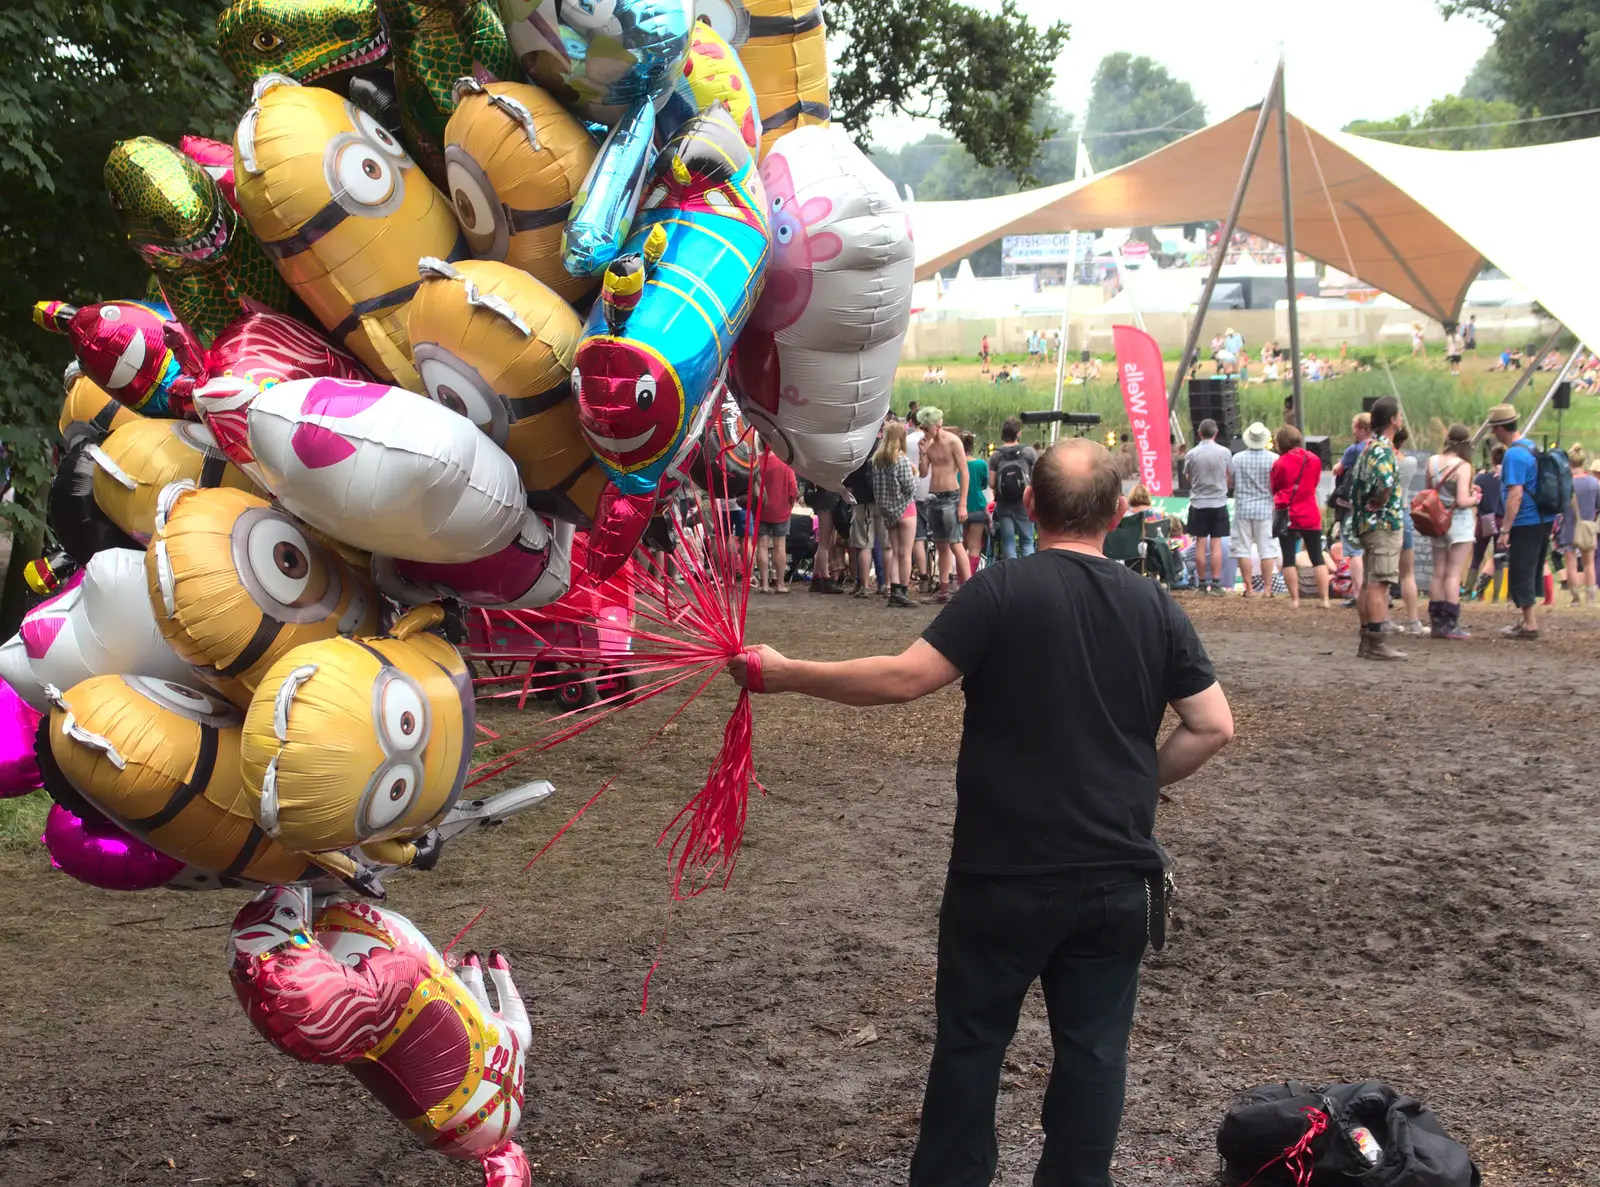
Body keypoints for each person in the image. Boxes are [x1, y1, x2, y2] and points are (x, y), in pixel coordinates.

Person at [729, 438, 1233, 1187]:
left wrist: (788, 673)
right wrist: (1138, 782)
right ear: (1120, 512)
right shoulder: (1154, 603)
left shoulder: (1002, 588)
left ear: (1028, 505)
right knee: (1095, 1051)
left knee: (971, 1043)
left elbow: (905, 679)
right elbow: (1212, 724)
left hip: (1003, 873)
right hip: (1114, 877)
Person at [1488, 403, 1555, 639]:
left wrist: (1505, 530)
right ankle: (1526, 620)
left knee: (1522, 569)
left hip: (1526, 520)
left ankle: (1529, 624)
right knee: (1532, 568)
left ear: (1499, 428)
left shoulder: (1514, 455)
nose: (1492, 434)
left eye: (1493, 428)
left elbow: (1515, 494)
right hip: (1543, 518)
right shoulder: (1530, 446)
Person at [1348, 396, 1406, 659]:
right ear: (1392, 420)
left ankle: (1365, 639)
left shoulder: (1367, 447)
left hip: (1367, 523)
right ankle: (1378, 641)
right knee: (1380, 584)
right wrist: (1381, 500)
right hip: (1383, 523)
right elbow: (1385, 482)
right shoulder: (1383, 450)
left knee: (1369, 582)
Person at [1422, 424, 1482, 639]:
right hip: (1458, 522)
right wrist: (1475, 498)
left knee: (1438, 571)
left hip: (1437, 521)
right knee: (1454, 573)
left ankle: (1436, 622)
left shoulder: (1432, 462)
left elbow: (1430, 492)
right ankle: (1451, 623)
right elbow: (1462, 500)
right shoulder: (1463, 466)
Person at [1269, 424, 1330, 609]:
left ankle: (1295, 599)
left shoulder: (1279, 463)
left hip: (1287, 513)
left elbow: (1274, 487)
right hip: (1310, 512)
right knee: (1317, 557)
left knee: (1288, 558)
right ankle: (1325, 599)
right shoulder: (1314, 459)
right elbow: (1315, 482)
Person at [916, 407, 972, 603]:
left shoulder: (953, 442)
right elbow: (923, 473)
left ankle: (969, 590)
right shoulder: (927, 444)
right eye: (921, 427)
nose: (923, 431)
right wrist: (923, 453)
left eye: (926, 427)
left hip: (951, 496)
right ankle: (943, 589)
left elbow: (964, 472)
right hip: (934, 496)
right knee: (941, 545)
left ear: (936, 425)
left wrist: (963, 503)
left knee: (956, 543)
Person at [1228, 421, 1280, 597]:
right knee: (1267, 549)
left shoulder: (1237, 458)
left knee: (1243, 549)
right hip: (1265, 509)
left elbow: (1230, 482)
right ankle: (1267, 589)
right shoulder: (1274, 459)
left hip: (1243, 508)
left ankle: (1249, 588)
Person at [871, 420, 920, 607]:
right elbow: (910, 487)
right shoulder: (901, 459)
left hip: (888, 511)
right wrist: (916, 476)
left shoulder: (876, 460)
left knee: (892, 550)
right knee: (905, 553)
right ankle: (904, 590)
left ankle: (894, 590)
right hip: (906, 510)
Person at [1183, 418, 1232, 594]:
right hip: (1218, 502)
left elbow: (1187, 475)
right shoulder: (1225, 452)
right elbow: (1229, 474)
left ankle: (1202, 583)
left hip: (1198, 503)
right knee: (1217, 543)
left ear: (1199, 433)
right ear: (1216, 433)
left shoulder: (1191, 454)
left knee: (1200, 543)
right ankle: (1217, 583)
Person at [1335, 413, 1372, 604]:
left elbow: (1337, 470)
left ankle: (1358, 593)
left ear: (1362, 429)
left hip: (1352, 505)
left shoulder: (1354, 450)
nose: (1352, 430)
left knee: (1353, 550)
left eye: (1354, 427)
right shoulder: (1378, 448)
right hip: (1372, 504)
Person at [1392, 426, 1425, 636]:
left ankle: (1382, 619)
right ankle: (1413, 621)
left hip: (1386, 516)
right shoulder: (1409, 462)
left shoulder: (1382, 460)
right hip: (1404, 513)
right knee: (1408, 573)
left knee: (1383, 573)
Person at [990, 418, 1037, 560]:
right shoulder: (1029, 452)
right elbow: (1036, 479)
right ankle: (1030, 575)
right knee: (1027, 540)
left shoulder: (996, 455)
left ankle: (1013, 575)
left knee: (1008, 541)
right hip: (1024, 502)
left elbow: (992, 483)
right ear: (1019, 434)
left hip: (1004, 504)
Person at [754, 451, 799, 593]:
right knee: (780, 546)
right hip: (782, 510)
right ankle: (780, 584)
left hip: (761, 509)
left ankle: (765, 585)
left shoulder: (756, 461)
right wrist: (791, 503)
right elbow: (794, 489)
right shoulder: (785, 461)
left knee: (762, 545)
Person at [1469, 443, 1506, 599]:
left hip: (1484, 519)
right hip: (1501, 520)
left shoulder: (1482, 478)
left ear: (1492, 460)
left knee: (1477, 557)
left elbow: (1476, 500)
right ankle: (1496, 596)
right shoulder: (1506, 479)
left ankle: (1467, 591)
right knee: (1499, 559)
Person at [843, 453, 882, 597]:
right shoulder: (882, 449)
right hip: (881, 503)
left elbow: (848, 481)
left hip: (863, 501)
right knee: (883, 546)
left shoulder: (860, 450)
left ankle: (864, 585)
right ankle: (885, 584)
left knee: (864, 545)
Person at [1564, 455, 1600, 606]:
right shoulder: (1594, 483)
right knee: (1589, 563)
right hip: (1587, 527)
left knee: (1571, 564)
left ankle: (1575, 598)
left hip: (1569, 526)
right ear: (1583, 462)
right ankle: (1591, 598)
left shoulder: (1566, 483)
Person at [806, 479, 847, 595]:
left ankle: (817, 576)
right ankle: (825, 578)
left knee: (826, 542)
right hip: (827, 502)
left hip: (824, 500)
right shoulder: (825, 466)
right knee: (825, 543)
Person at [961, 430, 990, 570]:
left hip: (959, 508)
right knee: (975, 547)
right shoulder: (981, 464)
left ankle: (960, 580)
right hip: (978, 507)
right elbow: (985, 484)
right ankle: (970, 579)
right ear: (972, 446)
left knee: (960, 547)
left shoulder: (955, 464)